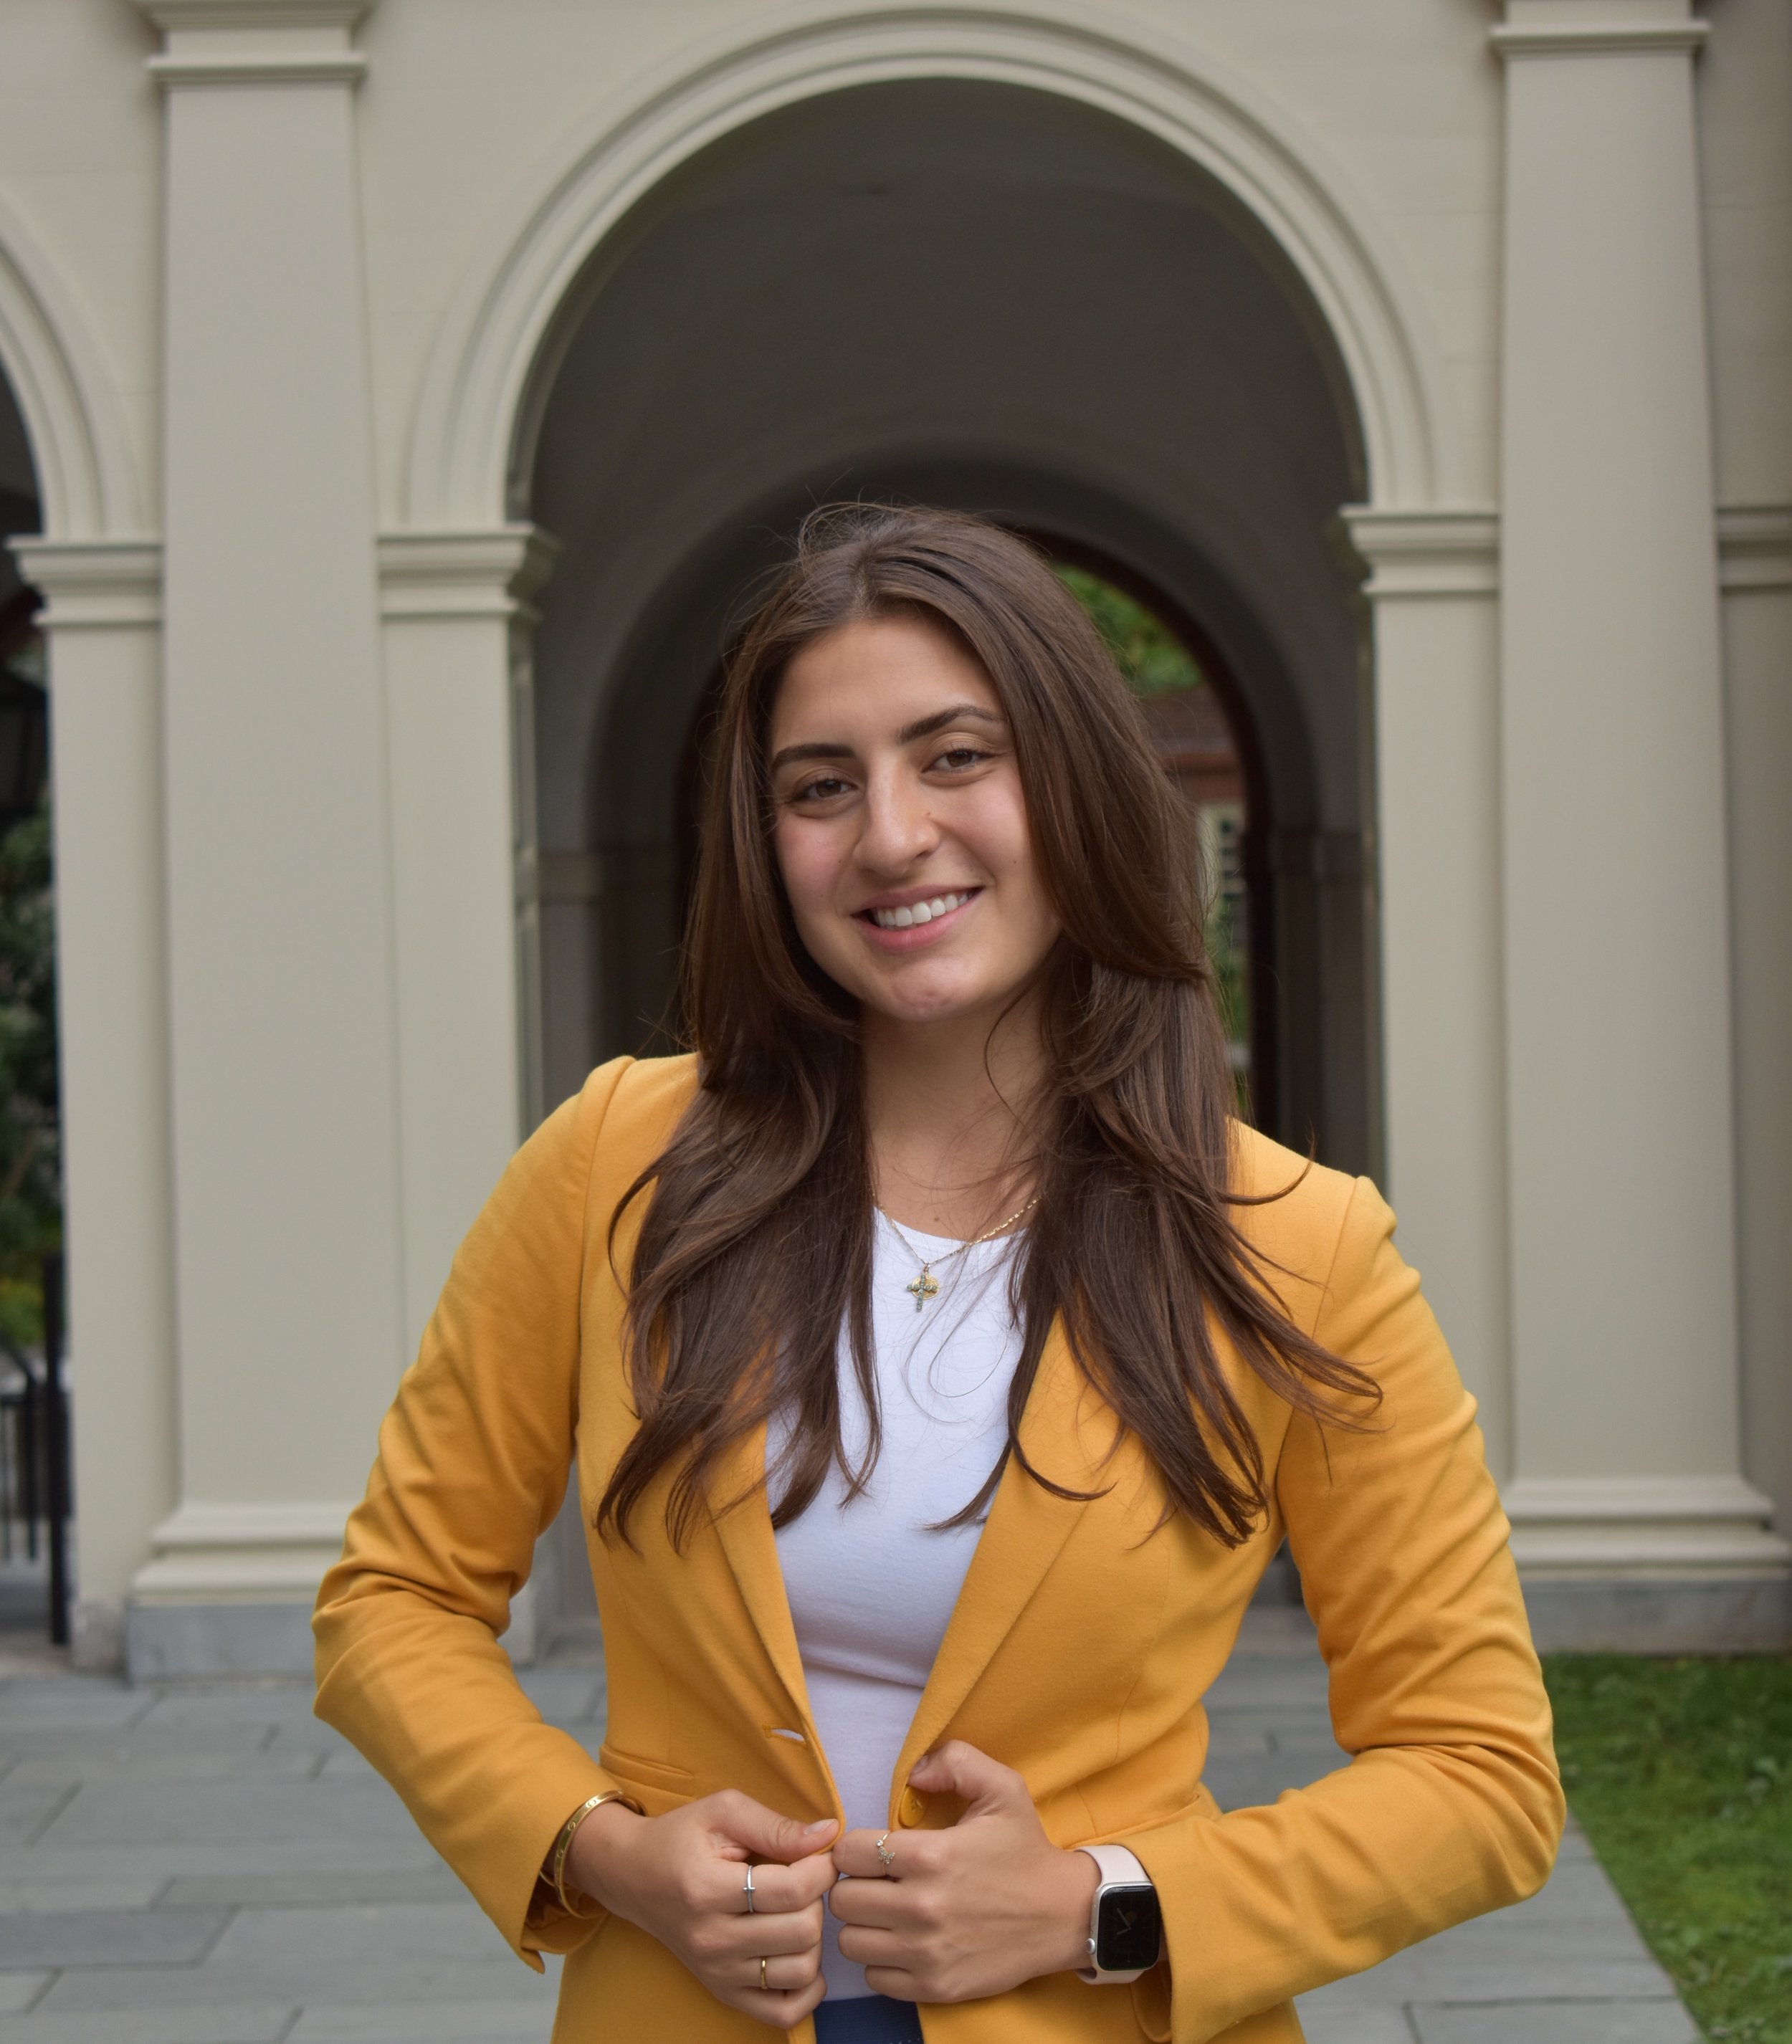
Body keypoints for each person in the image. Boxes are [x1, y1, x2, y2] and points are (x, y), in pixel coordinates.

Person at [313, 505, 1563, 2044]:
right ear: (765, 842)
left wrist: (1100, 1903)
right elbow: (394, 1600)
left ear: (1077, 781)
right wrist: (602, 1851)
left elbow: (1481, 1773)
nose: (890, 834)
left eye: (956, 755)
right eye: (819, 785)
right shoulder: (612, 1165)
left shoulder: (1298, 1245)